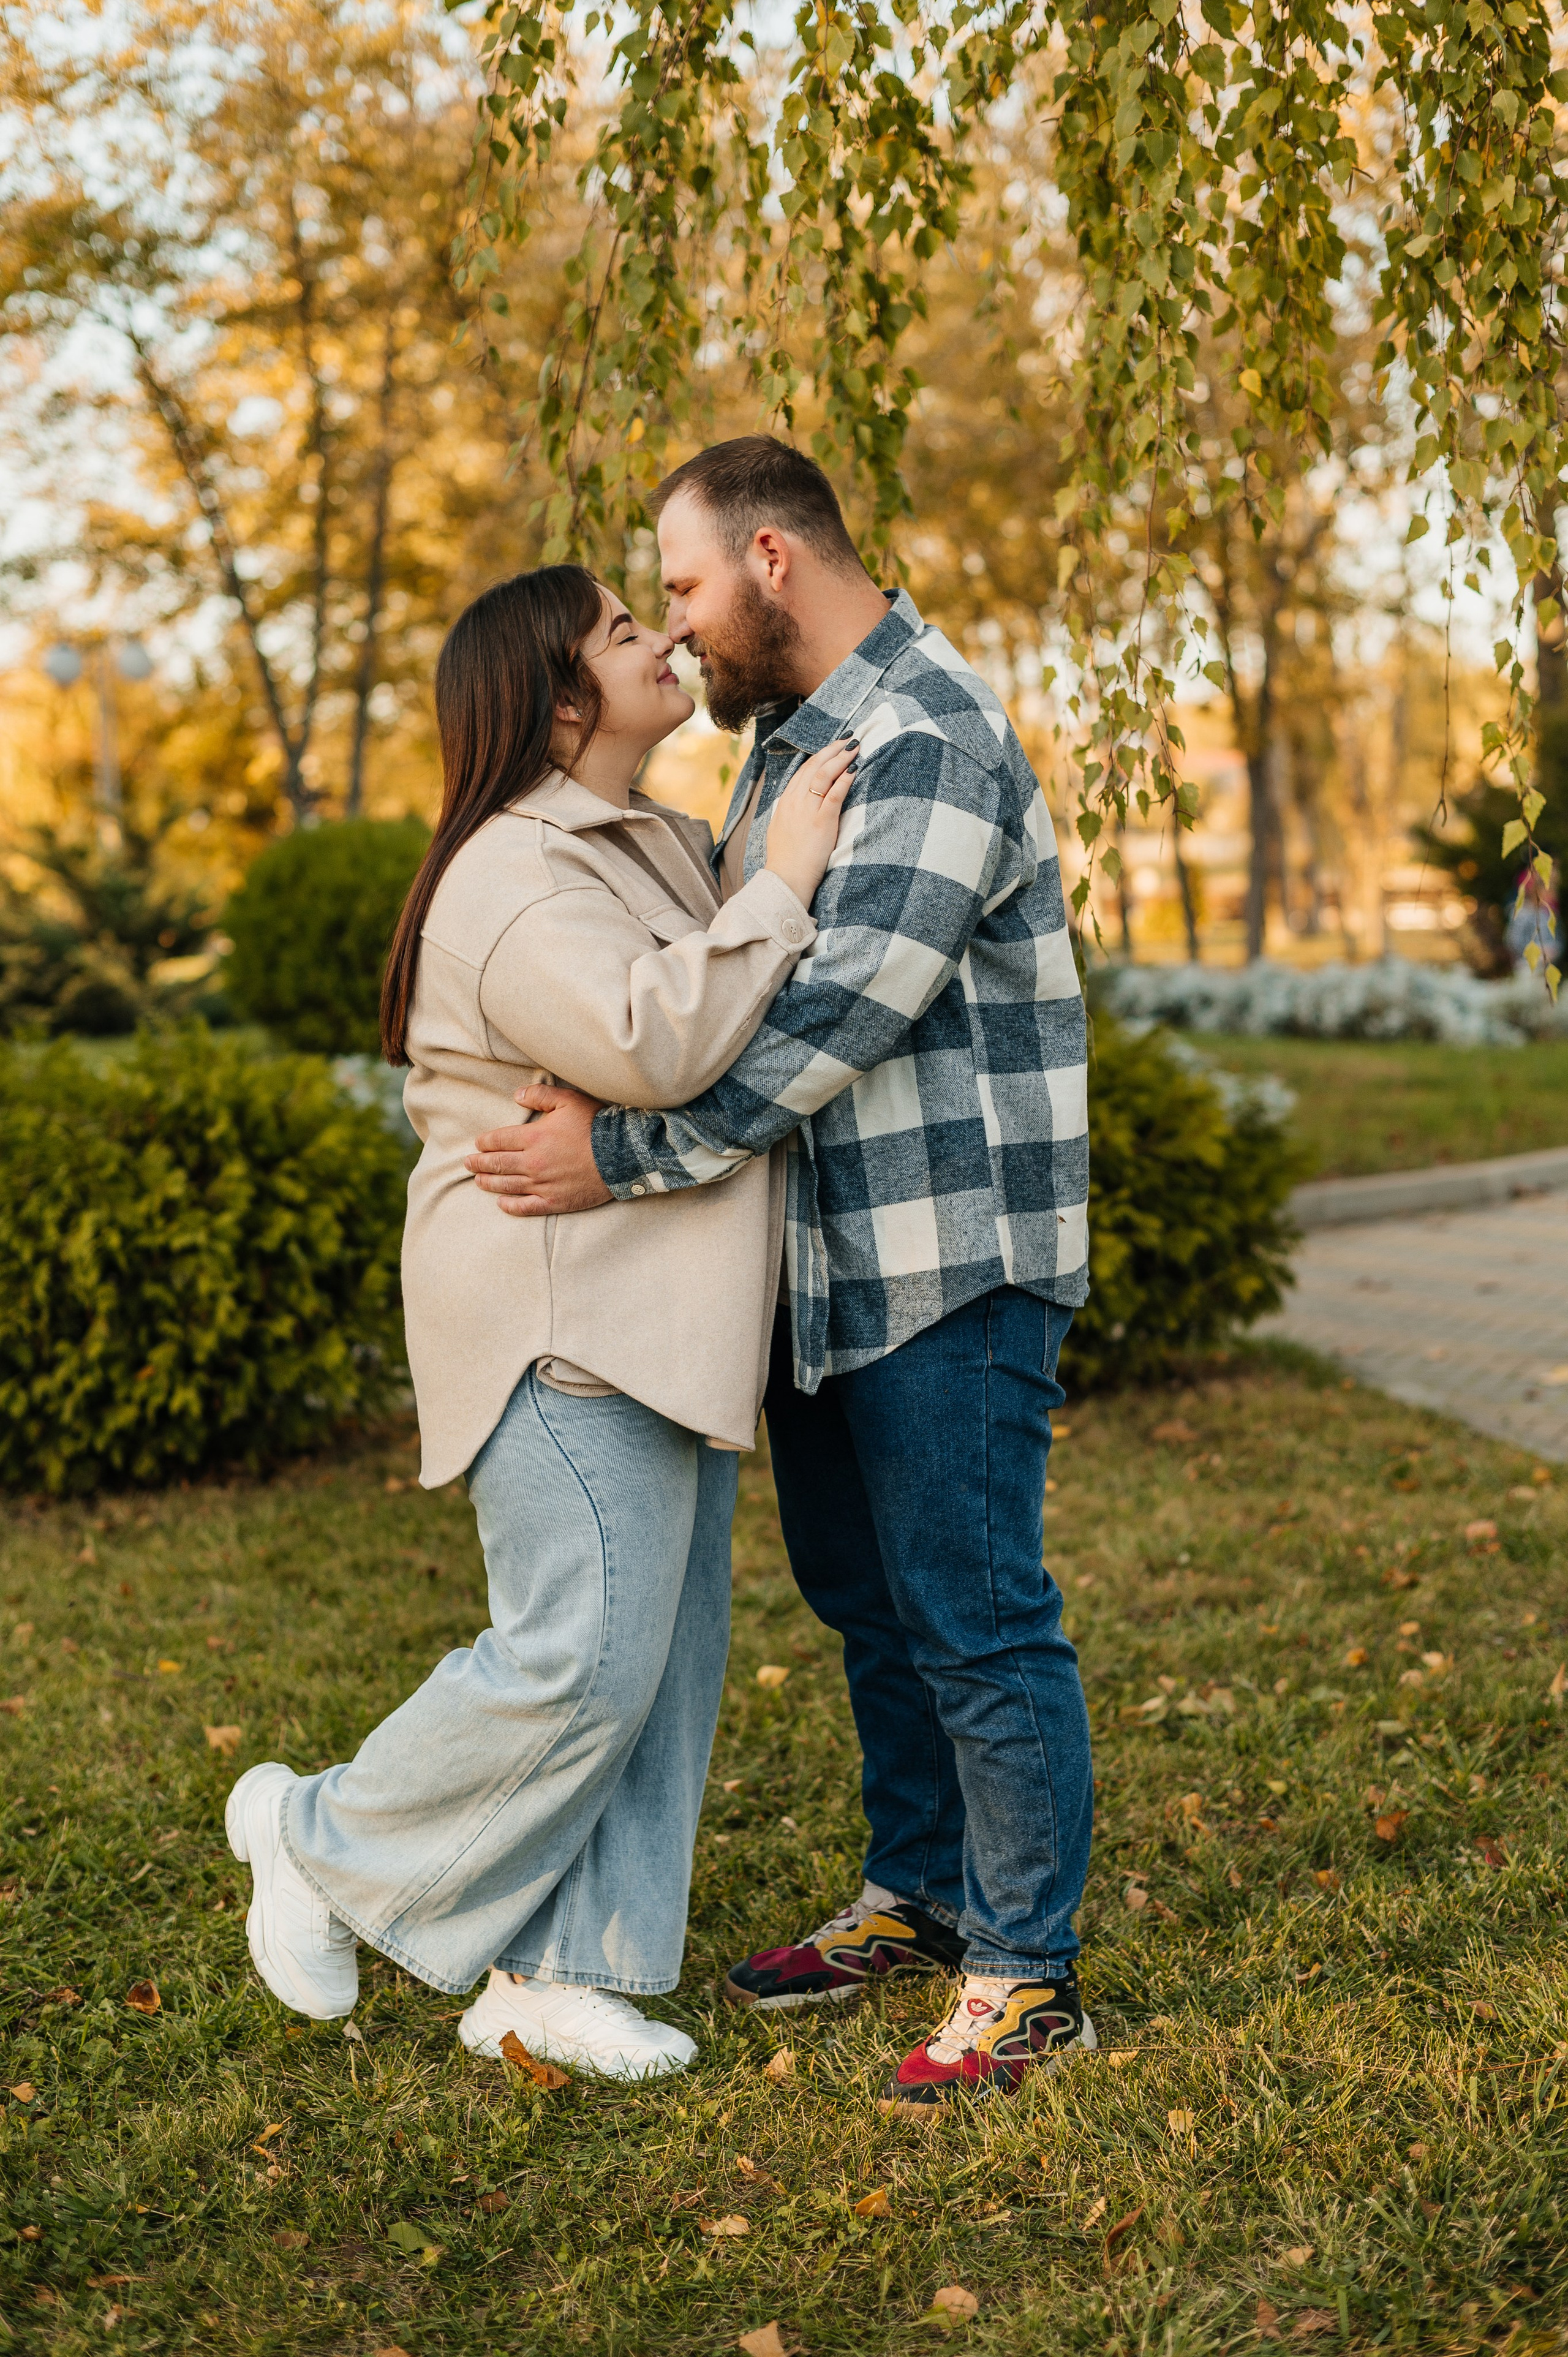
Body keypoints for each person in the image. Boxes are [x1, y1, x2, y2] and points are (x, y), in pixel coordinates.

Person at [466, 437, 1098, 2110]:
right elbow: (718, 974)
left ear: (766, 558)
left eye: (678, 590)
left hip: (949, 1260)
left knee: (976, 1618)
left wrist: (614, 1153)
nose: (672, 635)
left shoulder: (929, 739)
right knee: (867, 1604)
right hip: (822, 1271)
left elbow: (827, 1024)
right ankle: (919, 1893)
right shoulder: (793, 750)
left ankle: (1024, 1973)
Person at [225, 562, 855, 2079]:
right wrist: (783, 877)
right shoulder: (513, 872)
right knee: (577, 1650)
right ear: (563, 697)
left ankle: (559, 1976)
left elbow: (695, 1017)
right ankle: (315, 1833)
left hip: (656, 1308)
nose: (663, 640)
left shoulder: (631, 840)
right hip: (555, 1309)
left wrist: (742, 892)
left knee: (659, 1659)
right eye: (626, 634)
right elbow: (657, 1041)